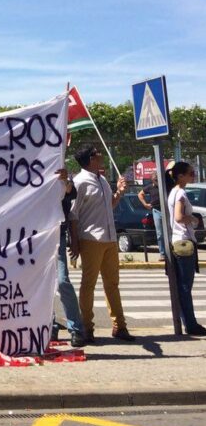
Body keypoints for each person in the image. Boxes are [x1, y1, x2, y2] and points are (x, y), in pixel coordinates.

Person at [69, 144, 132, 342]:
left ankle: (119, 326)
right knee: (88, 284)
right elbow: (73, 214)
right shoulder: (79, 182)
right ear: (90, 159)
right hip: (91, 239)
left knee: (112, 284)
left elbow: (110, 205)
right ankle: (87, 328)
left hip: (110, 238)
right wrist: (75, 242)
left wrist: (119, 192)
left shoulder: (102, 179)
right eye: (97, 154)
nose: (101, 156)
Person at [166, 162, 206, 336]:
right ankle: (190, 324)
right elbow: (179, 217)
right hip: (184, 243)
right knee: (185, 286)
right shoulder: (180, 192)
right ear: (180, 176)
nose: (193, 176)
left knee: (182, 286)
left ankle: (187, 322)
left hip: (177, 241)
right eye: (191, 173)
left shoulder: (173, 192)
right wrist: (194, 220)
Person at [55, 168, 86, 347]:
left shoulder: (62, 173)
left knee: (62, 281)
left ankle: (75, 328)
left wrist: (65, 180)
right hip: (34, 236)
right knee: (38, 283)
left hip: (57, 233)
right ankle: (48, 326)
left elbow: (70, 192)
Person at [138, 172, 166, 260]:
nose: (157, 181)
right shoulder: (150, 187)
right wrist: (145, 204)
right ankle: (162, 253)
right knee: (160, 233)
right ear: (152, 180)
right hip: (156, 210)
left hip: (166, 210)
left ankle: (171, 251)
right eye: (155, 180)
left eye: (158, 179)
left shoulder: (164, 186)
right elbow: (140, 194)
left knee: (169, 231)